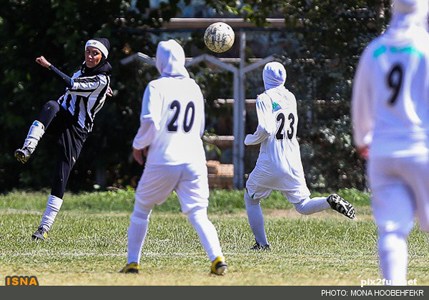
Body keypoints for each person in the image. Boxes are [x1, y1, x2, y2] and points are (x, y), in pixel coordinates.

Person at [119, 39, 227, 275]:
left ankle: (132, 263)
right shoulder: (194, 87)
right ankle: (217, 258)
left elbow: (150, 121)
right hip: (193, 158)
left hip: (164, 158)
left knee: (141, 209)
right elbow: (199, 129)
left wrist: (138, 145)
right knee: (199, 213)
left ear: (160, 60)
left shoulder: (157, 87)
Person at [352, 0, 429, 286]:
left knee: (392, 231)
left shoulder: (375, 50)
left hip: (383, 152)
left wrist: (363, 140)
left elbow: (360, 103)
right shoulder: (425, 47)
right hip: (422, 148)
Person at [244, 61, 356, 250]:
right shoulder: (291, 97)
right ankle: (329, 201)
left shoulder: (264, 98)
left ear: (265, 77)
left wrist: (250, 140)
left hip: (271, 160)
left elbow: (265, 128)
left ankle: (262, 244)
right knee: (303, 205)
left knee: (251, 198)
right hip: (293, 160)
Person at [15, 38, 112, 241]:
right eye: (88, 51)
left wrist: (50, 66)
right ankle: (28, 148)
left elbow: (72, 83)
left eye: (96, 54)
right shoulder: (85, 69)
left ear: (103, 57)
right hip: (62, 116)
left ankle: (44, 227)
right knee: (51, 105)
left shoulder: (102, 80)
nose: (90, 56)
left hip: (76, 129)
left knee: (61, 173)